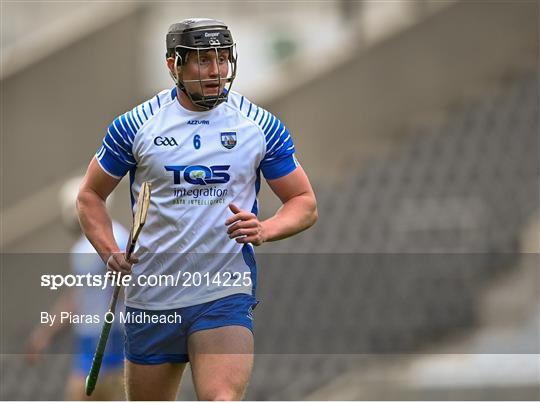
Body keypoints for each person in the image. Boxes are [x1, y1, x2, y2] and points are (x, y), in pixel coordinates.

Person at [77, 18, 318, 400]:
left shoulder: (257, 125)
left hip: (223, 294)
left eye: (223, 59)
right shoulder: (135, 126)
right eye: (203, 61)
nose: (216, 71)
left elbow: (303, 202)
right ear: (173, 65)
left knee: (220, 398)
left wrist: (266, 229)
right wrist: (109, 251)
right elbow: (89, 196)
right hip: (152, 297)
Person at [27, 176, 129, 400]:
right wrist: (46, 332)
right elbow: (79, 295)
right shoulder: (103, 242)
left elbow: (126, 291)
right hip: (95, 337)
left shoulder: (104, 242)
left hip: (108, 338)